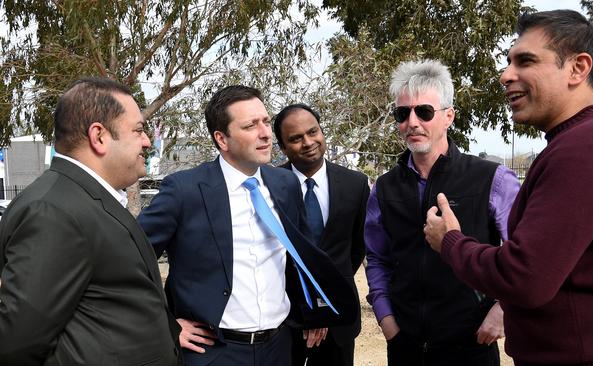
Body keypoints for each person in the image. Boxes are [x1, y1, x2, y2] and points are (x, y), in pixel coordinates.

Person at [424, 10, 593, 364]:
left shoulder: (587, 146)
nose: (506, 76)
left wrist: (450, 241)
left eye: (525, 61)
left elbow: (524, 277)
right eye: (508, 62)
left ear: (578, 68)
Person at [137, 85, 357, 366]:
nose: (266, 133)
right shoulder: (185, 190)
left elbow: (300, 256)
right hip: (214, 353)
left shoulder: (285, 184)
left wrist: (314, 310)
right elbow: (130, 262)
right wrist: (166, 324)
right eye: (251, 126)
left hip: (279, 349)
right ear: (222, 139)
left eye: (265, 121)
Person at [0, 77, 181, 365]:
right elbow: (18, 342)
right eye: (138, 130)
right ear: (99, 136)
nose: (147, 141)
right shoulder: (54, 211)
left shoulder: (88, 197)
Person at [365, 59, 520, 365]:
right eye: (402, 113)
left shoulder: (492, 179)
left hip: (471, 345)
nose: (412, 122)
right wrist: (387, 321)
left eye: (423, 111)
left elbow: (525, 253)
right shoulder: (384, 188)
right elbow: (377, 259)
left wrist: (504, 309)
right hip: (405, 346)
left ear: (449, 116)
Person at [274, 104, 369, 366]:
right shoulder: (268, 185)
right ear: (282, 147)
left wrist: (323, 308)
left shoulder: (356, 184)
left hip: (339, 322)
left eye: (312, 132)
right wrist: (307, 314)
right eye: (295, 138)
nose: (307, 142)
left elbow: (354, 252)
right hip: (285, 321)